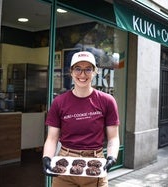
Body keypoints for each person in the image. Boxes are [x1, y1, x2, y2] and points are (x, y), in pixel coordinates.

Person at [42, 51, 120, 187]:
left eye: (88, 69)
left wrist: (112, 157)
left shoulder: (107, 101)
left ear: (94, 72)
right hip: (64, 164)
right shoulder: (59, 102)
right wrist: (47, 158)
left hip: (95, 163)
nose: (82, 74)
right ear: (71, 72)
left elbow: (113, 137)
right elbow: (52, 138)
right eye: (78, 69)